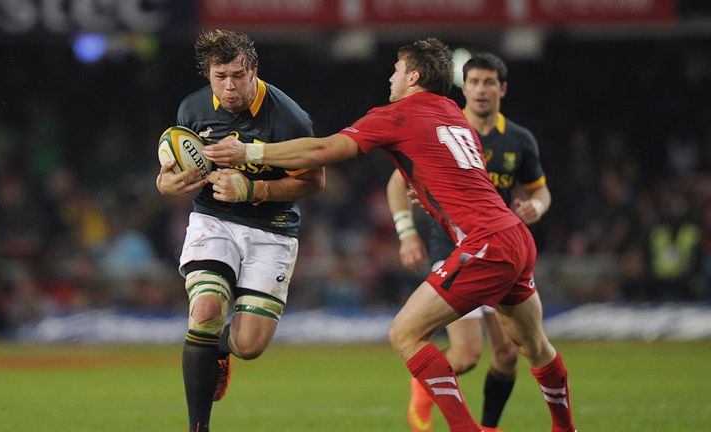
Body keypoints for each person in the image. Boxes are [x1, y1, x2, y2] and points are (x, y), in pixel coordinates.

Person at [204, 37, 576, 432]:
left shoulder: (399, 114)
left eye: (397, 70)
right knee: (533, 347)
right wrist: (428, 190)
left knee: (405, 333)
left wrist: (250, 153)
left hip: (485, 242)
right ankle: (565, 427)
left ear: (413, 77)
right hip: (515, 236)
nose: (390, 76)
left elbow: (323, 149)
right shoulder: (449, 109)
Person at [155, 29, 325, 432]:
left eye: (238, 75)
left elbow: (314, 182)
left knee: (249, 344)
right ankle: (199, 427)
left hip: (273, 228)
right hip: (214, 220)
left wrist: (254, 187)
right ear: (208, 74)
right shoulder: (192, 109)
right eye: (220, 76)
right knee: (206, 309)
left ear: (254, 71)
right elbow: (170, 173)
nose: (230, 86)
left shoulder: (288, 118)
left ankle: (219, 348)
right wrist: (166, 184)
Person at [386, 52, 552, 432]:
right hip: (453, 245)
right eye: (474, 82)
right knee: (467, 354)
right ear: (464, 86)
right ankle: (423, 381)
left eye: (488, 82)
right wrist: (407, 232)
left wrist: (536, 209)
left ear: (502, 88)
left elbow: (541, 192)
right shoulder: (445, 123)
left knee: (509, 355)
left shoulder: (519, 140)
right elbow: (398, 181)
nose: (480, 90)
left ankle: (488, 427)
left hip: (500, 246)